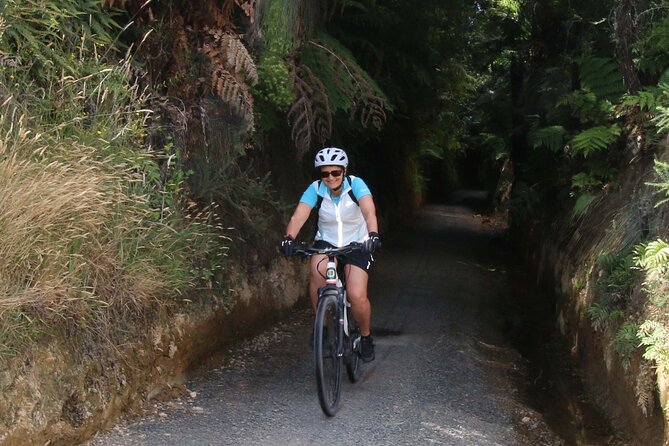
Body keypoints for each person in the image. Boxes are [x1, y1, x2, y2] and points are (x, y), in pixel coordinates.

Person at [280, 147, 381, 362]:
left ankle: (365, 337)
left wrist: (373, 235)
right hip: (327, 241)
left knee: (356, 293)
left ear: (344, 171)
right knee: (317, 275)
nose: (330, 178)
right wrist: (289, 237)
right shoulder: (315, 189)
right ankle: (322, 328)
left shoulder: (356, 185)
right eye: (325, 173)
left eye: (335, 172)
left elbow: (368, 211)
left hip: (357, 243)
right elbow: (299, 216)